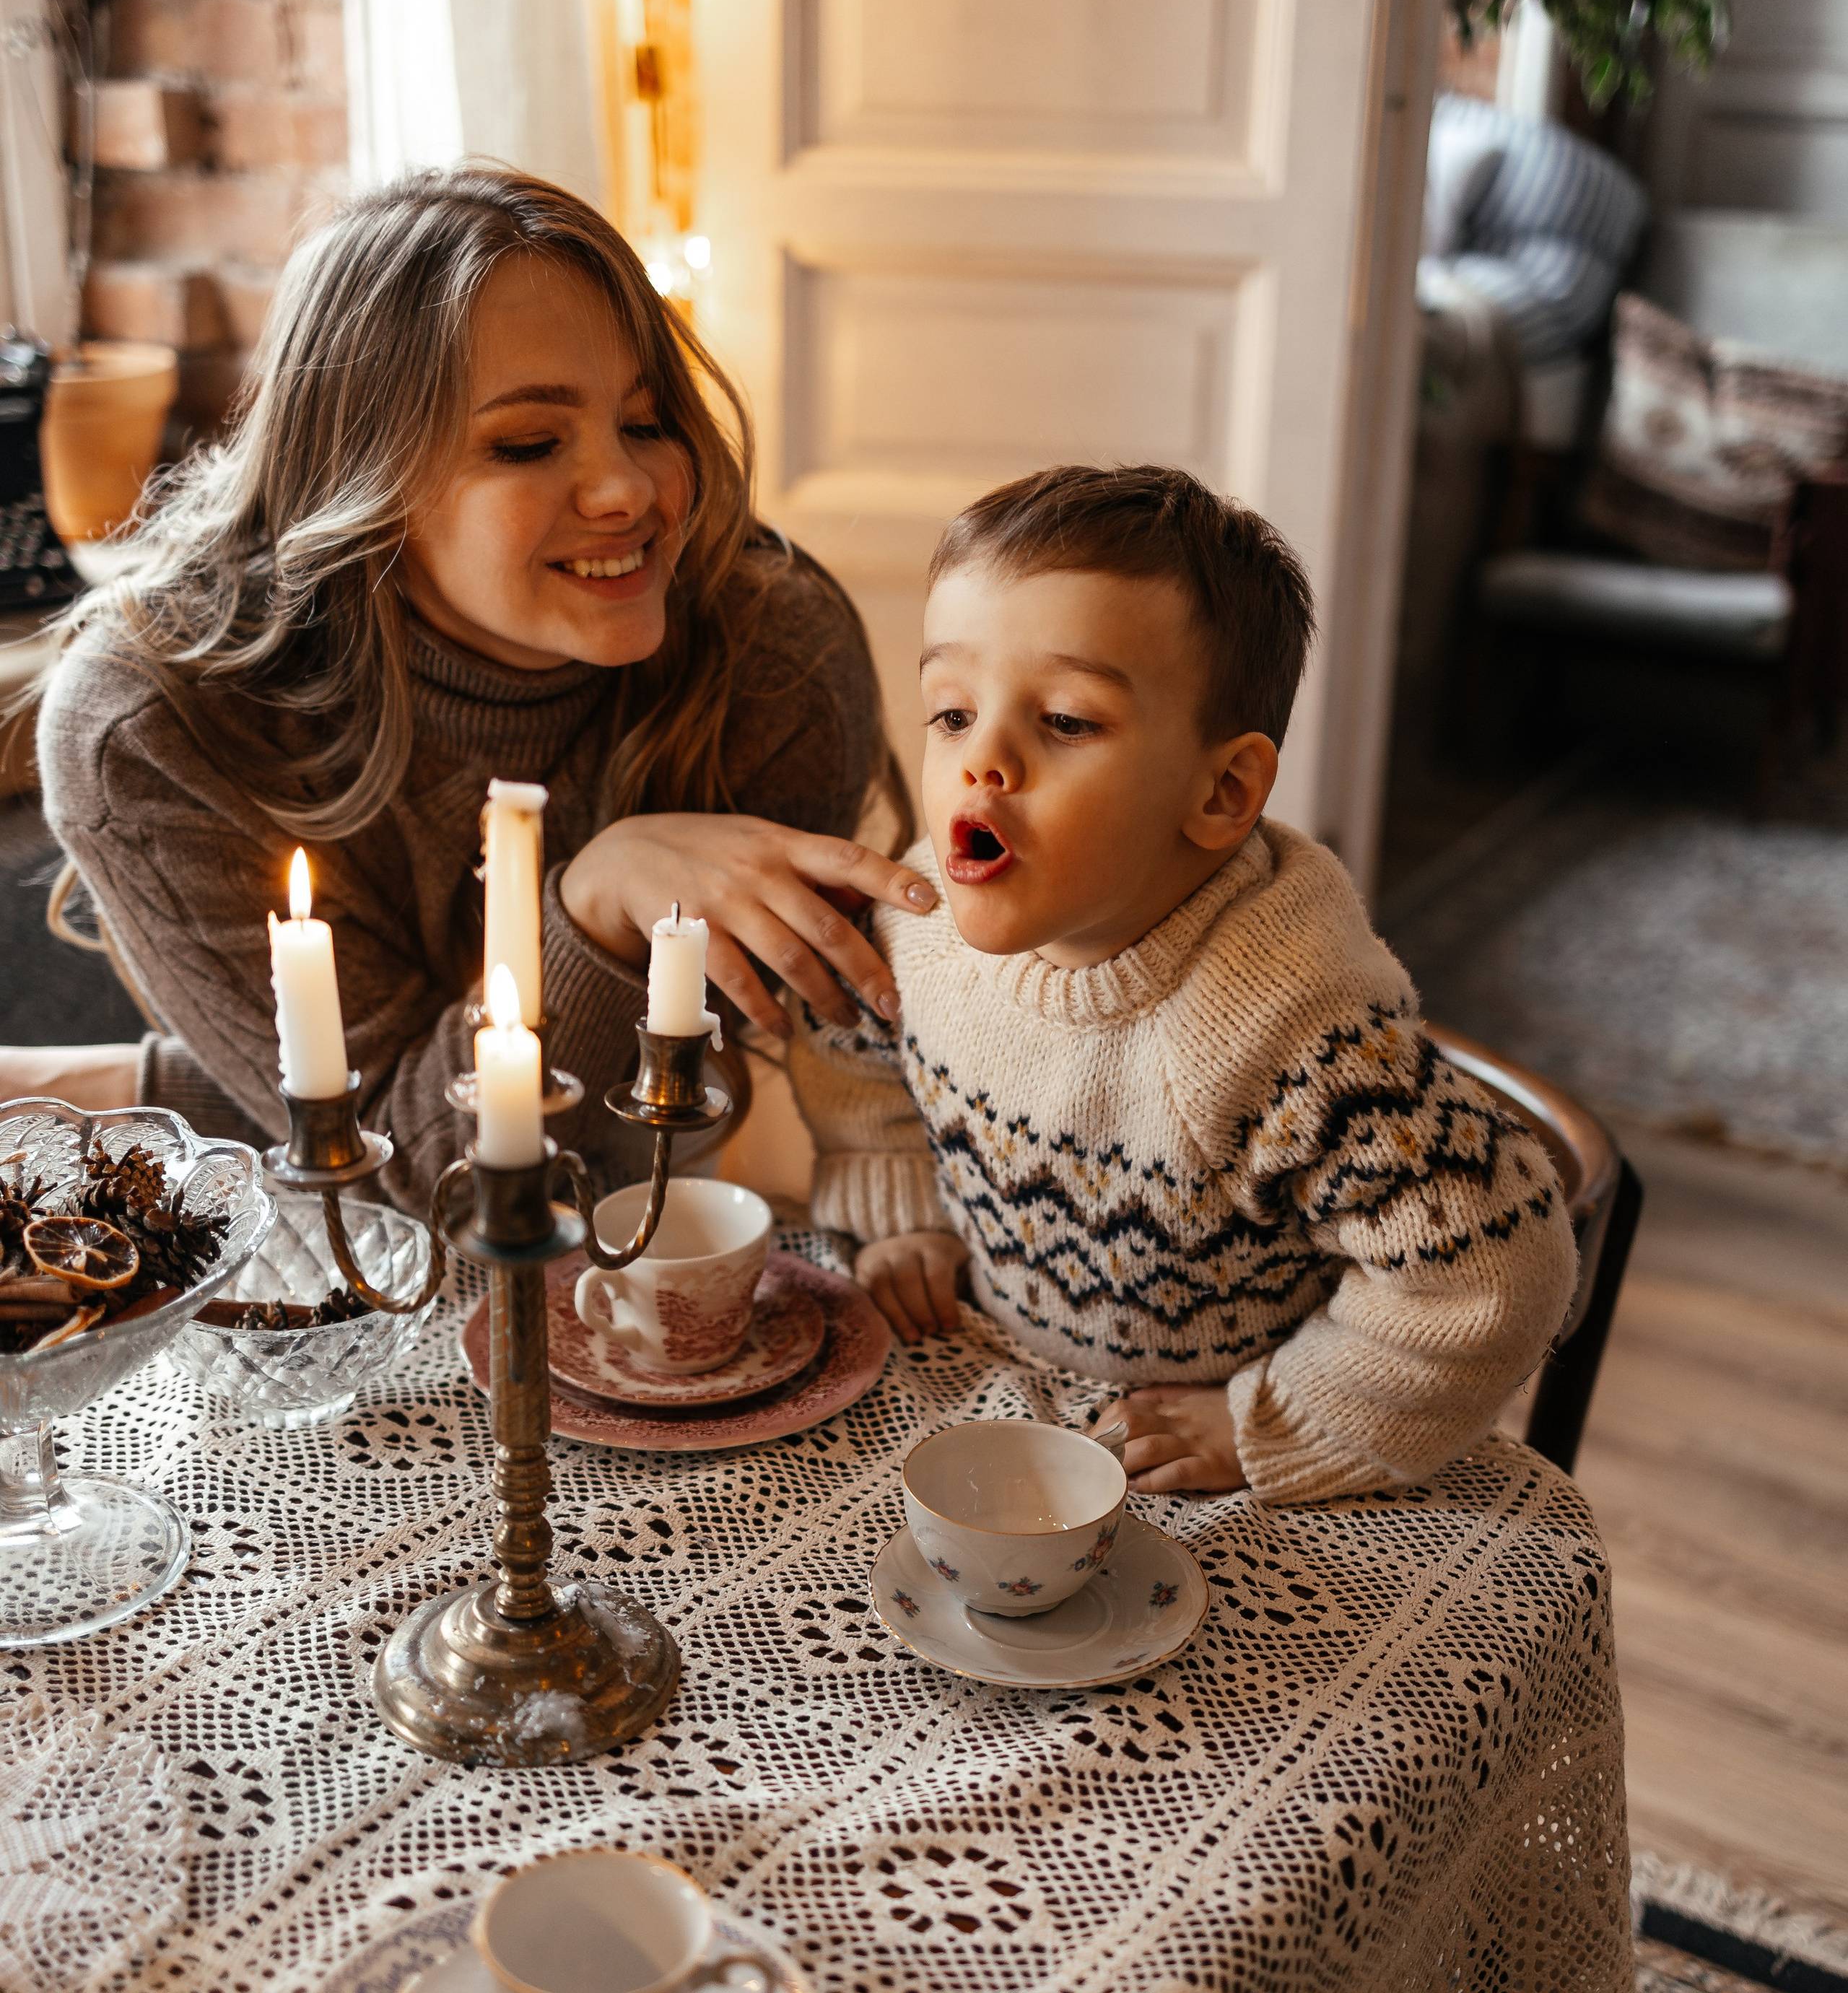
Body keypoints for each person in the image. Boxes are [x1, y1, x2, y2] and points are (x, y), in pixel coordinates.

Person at [25, 165, 936, 1204]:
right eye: (529, 443)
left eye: (644, 423)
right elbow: (415, 1182)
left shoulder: (771, 650)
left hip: (625, 1209)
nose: (628, 490)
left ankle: (109, 1087)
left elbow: (629, 1145)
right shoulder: (148, 723)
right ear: (359, 476)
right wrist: (594, 911)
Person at [786, 464, 1579, 1499]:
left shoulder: (1287, 1032)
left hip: (1210, 1467)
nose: (982, 761)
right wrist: (902, 1214)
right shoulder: (916, 919)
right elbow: (852, 1038)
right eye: (951, 713)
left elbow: (1496, 1270)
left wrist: (1275, 1418)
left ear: (1222, 791)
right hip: (995, 1382)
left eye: (1065, 722)